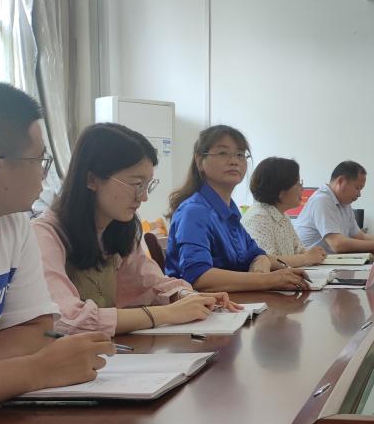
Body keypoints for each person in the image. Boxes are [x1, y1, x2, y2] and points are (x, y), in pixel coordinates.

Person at [0, 77, 113, 422]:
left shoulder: (11, 223)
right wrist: (36, 370)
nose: (44, 176)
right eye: (40, 160)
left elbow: (35, 329)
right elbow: (36, 354)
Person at [33, 123, 241, 336]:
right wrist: (167, 313)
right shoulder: (45, 234)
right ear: (92, 179)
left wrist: (187, 297)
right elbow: (66, 318)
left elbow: (151, 284)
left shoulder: (119, 228)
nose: (144, 197)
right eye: (137, 184)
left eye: (148, 185)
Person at [164, 125, 310, 292]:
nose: (234, 161)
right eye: (222, 153)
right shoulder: (194, 211)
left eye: (240, 154)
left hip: (234, 302)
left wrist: (261, 260)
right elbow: (199, 277)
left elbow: (255, 253)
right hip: (200, 306)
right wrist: (268, 280)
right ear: (199, 161)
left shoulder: (230, 212)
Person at [241, 157, 327, 267]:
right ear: (280, 190)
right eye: (298, 183)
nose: (302, 189)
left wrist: (314, 254)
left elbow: (299, 251)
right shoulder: (258, 217)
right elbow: (264, 260)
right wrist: (306, 258)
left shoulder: (282, 215)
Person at [294, 160, 374, 253]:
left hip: (327, 260)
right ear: (341, 181)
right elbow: (338, 244)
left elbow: (359, 236)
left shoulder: (344, 203)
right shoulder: (322, 200)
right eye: (357, 188)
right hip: (309, 263)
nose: (359, 194)